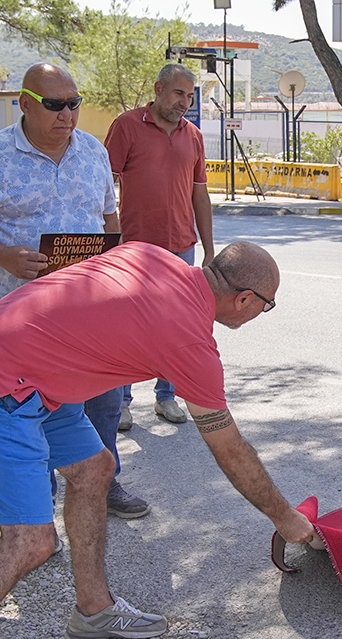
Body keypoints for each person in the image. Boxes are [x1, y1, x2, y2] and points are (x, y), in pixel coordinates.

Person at [0, 240, 316, 639]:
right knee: (30, 543)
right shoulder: (188, 341)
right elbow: (231, 452)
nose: (262, 313)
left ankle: (94, 611)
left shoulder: (154, 255)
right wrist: (285, 518)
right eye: (266, 305)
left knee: (95, 470)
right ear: (244, 300)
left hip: (27, 367)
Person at [0, 63, 151, 520]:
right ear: (25, 103)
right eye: (54, 105)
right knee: (30, 414)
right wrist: (3, 256)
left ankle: (104, 482)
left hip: (89, 316)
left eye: (73, 104)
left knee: (102, 400)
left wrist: (113, 266)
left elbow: (109, 221)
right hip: (19, 325)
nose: (67, 114)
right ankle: (36, 509)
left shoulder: (93, 153)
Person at [105, 63, 214, 429]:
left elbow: (201, 195)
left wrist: (210, 250)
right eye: (178, 93)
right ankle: (120, 402)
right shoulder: (127, 126)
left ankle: (166, 397)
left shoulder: (194, 136)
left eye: (189, 95)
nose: (184, 102)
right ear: (158, 89)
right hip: (133, 248)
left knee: (173, 326)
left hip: (181, 247)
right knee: (126, 327)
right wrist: (109, 240)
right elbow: (102, 187)